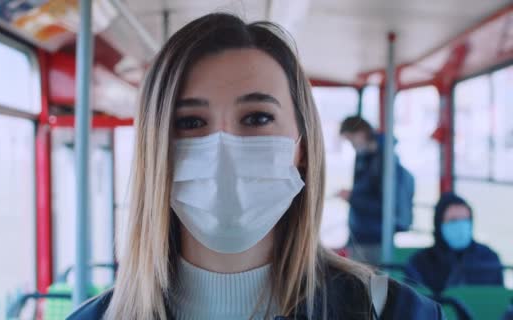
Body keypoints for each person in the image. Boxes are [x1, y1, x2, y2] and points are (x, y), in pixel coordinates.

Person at [68, 13, 443, 320]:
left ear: (304, 149)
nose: (223, 150)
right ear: (154, 152)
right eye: (191, 122)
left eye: (257, 118)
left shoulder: (391, 311)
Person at [338, 116, 414, 265]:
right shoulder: (365, 158)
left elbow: (385, 205)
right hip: (360, 234)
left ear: (361, 133)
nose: (352, 146)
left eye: (351, 140)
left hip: (375, 237)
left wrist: (352, 197)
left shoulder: (385, 161)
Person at [405, 193, 503, 293]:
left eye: (465, 220)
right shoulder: (420, 262)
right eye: (453, 220)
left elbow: (499, 299)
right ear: (439, 224)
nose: (460, 226)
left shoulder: (489, 258)